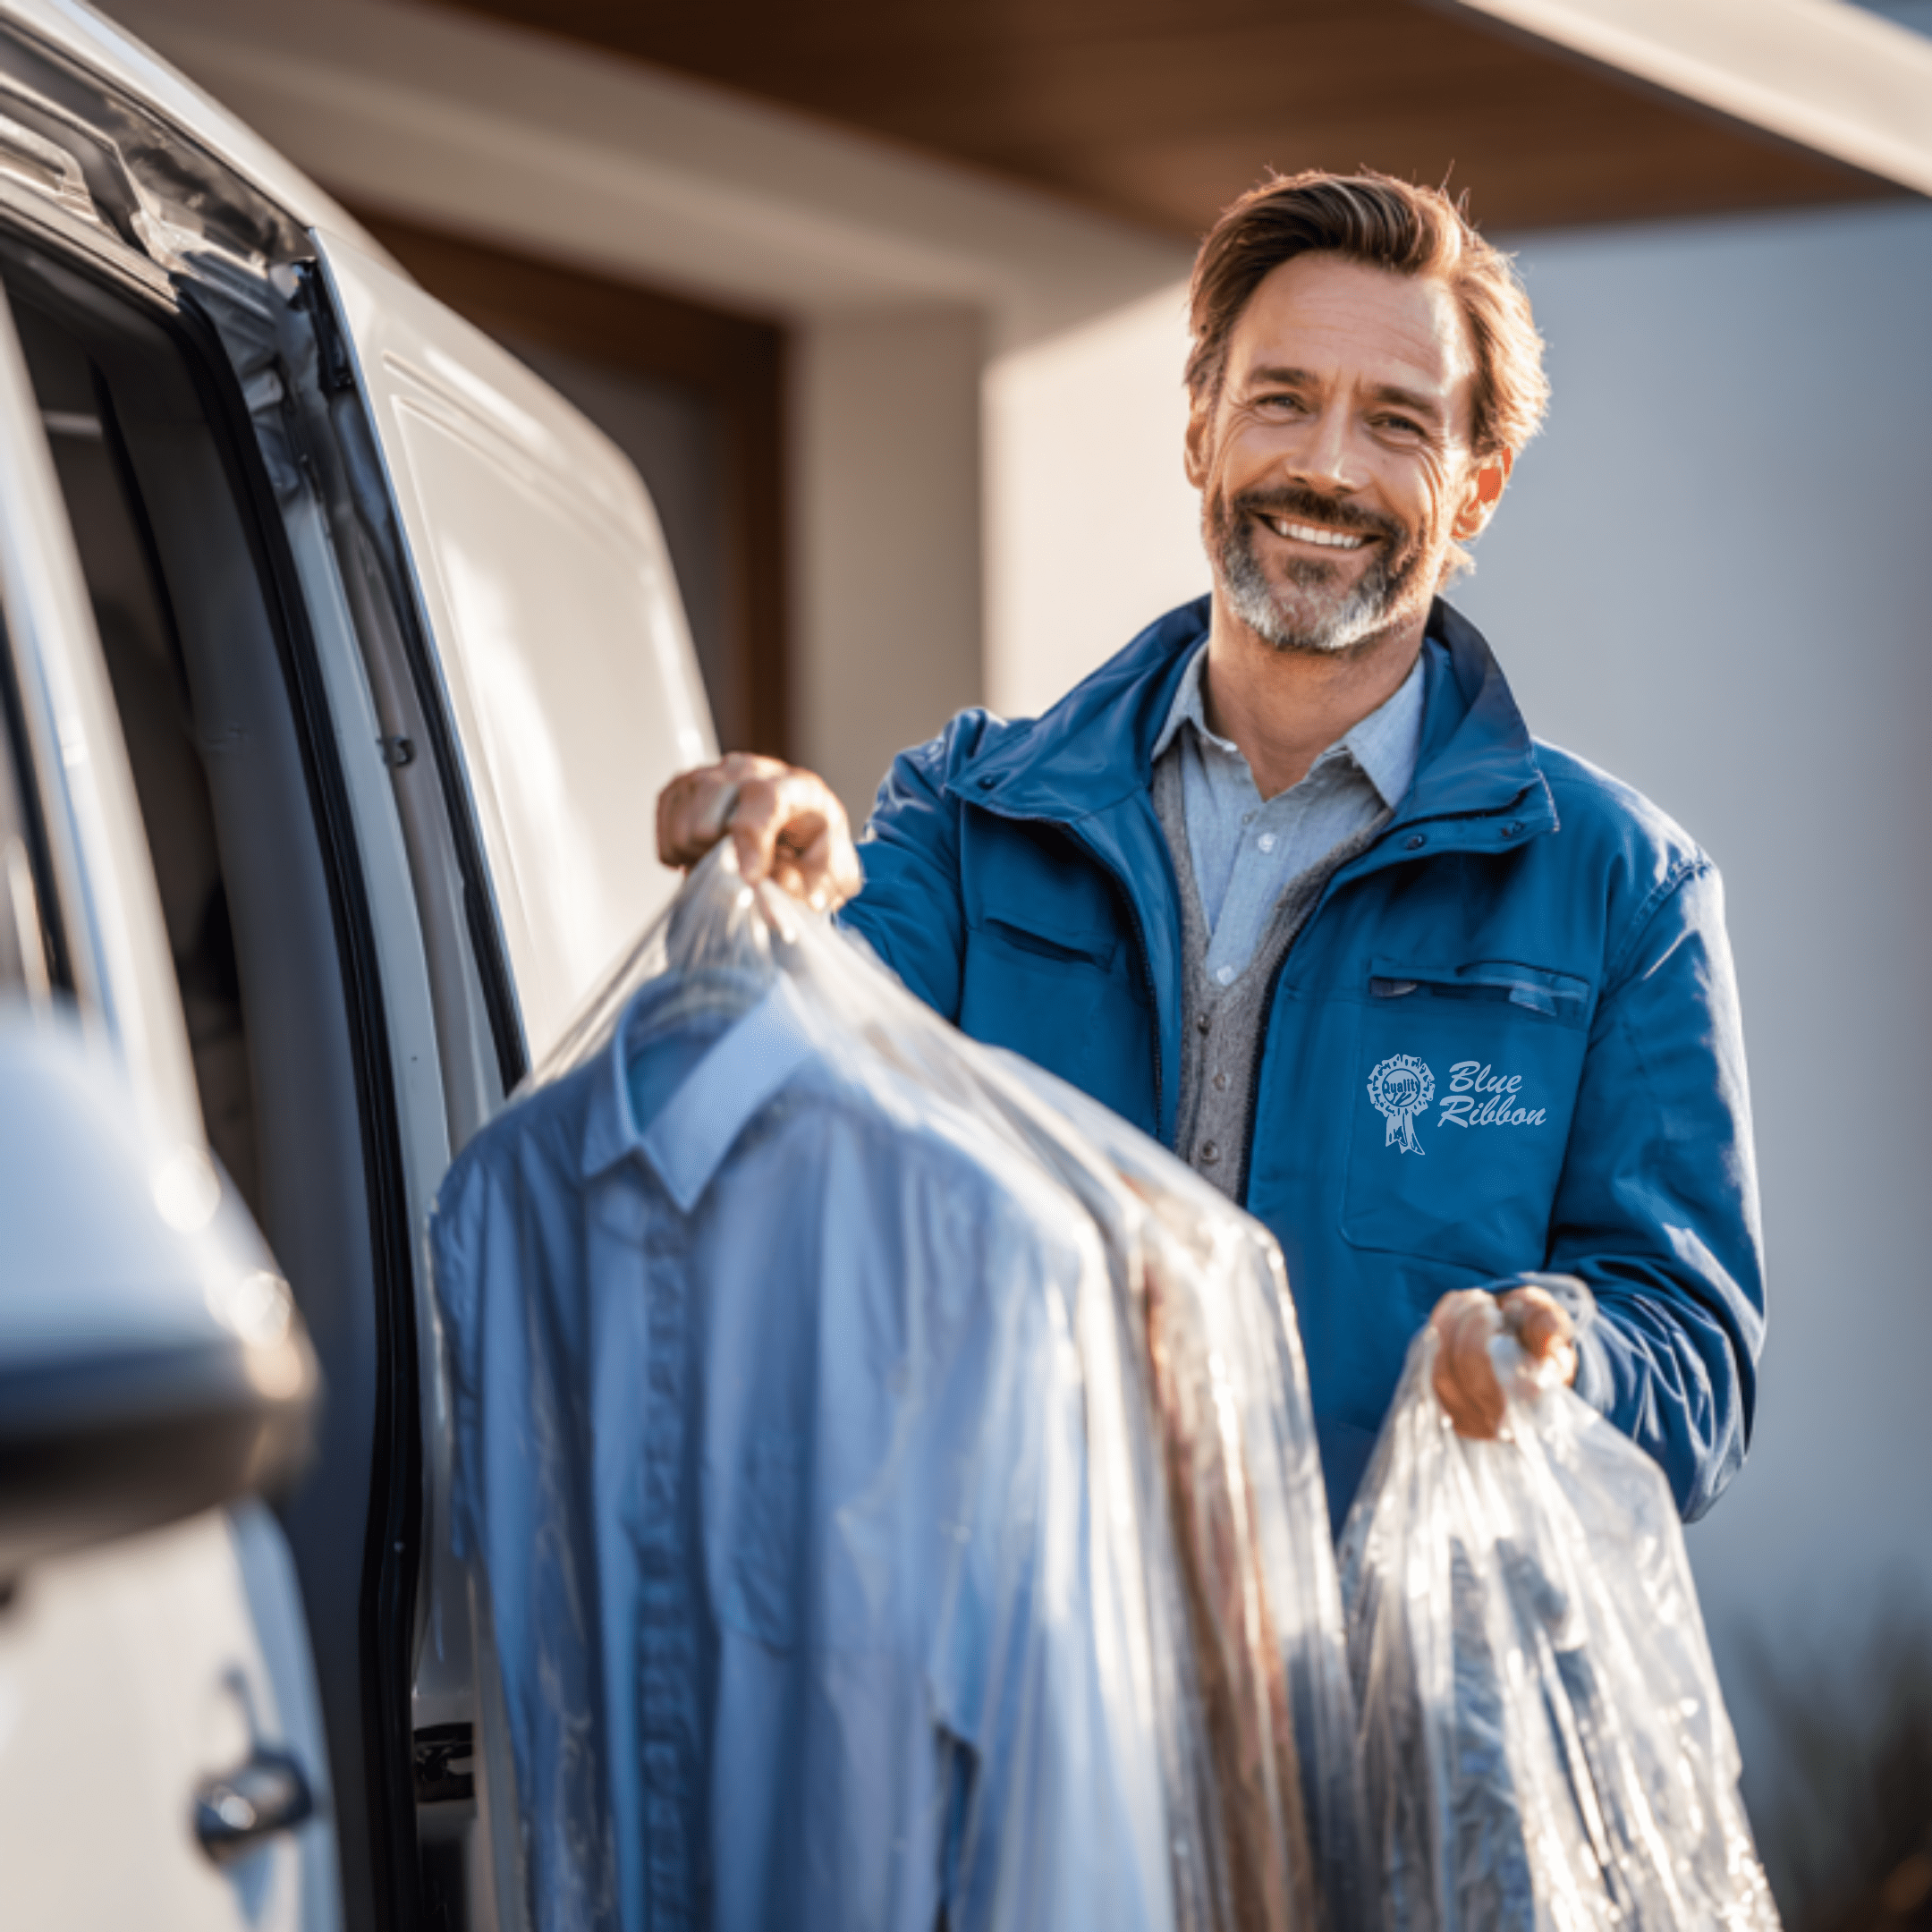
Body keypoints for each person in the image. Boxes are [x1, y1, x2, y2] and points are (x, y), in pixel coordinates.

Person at [656, 170, 1764, 1527]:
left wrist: (1564, 1362)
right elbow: (786, 1126)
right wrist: (789, 917)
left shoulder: (1618, 893)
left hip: (1386, 1710)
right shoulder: (969, 816)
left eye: (1397, 422)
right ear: (1200, 428)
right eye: (1282, 398)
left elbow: (1695, 1353)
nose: (1328, 468)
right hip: (1015, 1675)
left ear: (1475, 490)